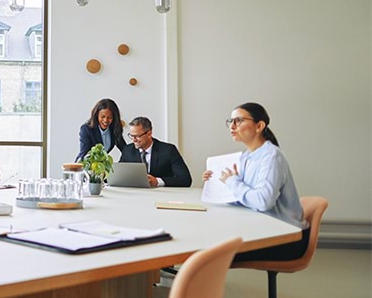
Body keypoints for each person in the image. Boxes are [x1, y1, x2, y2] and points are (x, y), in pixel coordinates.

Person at [204, 102, 309, 262]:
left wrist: (233, 182)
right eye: (230, 121)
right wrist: (216, 182)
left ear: (259, 126)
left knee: (210, 251)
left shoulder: (271, 156)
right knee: (209, 240)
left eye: (238, 121)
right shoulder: (246, 156)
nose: (232, 126)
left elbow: (262, 202)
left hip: (286, 239)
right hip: (263, 229)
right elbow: (246, 197)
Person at [120, 116, 192, 187]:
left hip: (162, 195)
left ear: (149, 133)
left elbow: (185, 179)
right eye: (131, 136)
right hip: (135, 194)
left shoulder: (168, 150)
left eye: (137, 136)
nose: (133, 140)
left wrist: (157, 181)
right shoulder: (128, 150)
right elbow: (119, 176)